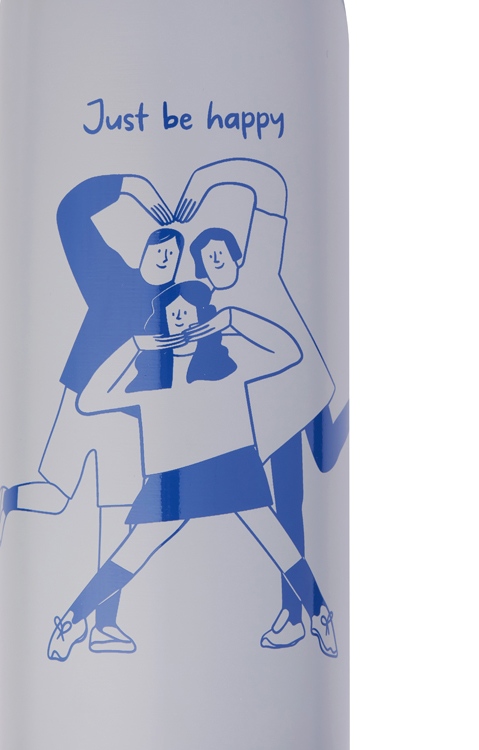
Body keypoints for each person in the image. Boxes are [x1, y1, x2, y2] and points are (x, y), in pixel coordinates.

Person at [45, 282, 338, 662]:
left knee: (279, 545)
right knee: (130, 555)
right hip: (171, 482)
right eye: (172, 314)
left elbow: (289, 352)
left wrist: (231, 319)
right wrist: (135, 346)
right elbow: (88, 399)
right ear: (162, 322)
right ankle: (72, 621)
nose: (180, 319)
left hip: (231, 468)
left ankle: (320, 616)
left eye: (187, 312)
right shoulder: (148, 377)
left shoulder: (228, 364)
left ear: (203, 316)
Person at [0, 174, 181, 654]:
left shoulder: (174, 316)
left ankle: (105, 625)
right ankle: (9, 499)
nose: (165, 257)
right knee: (58, 496)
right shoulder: (110, 279)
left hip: (128, 422)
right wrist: (131, 184)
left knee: (117, 518)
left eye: (173, 255)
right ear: (143, 253)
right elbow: (70, 214)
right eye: (159, 249)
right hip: (80, 401)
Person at [177, 158, 349, 649]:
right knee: (288, 503)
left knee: (325, 463)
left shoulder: (263, 264)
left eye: (220, 254)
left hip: (306, 386)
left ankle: (296, 613)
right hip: (277, 413)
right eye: (207, 261)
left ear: (237, 253)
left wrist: (203, 179)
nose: (216, 264)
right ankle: (294, 613)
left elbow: (270, 186)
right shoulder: (211, 311)